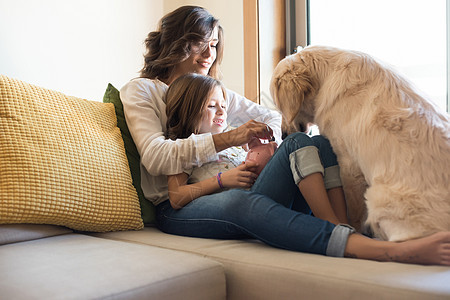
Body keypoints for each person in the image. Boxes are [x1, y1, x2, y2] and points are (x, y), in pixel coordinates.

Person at [120, 5, 450, 265]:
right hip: (178, 206)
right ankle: (381, 251)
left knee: (313, 142)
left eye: (214, 45)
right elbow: (156, 155)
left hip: (232, 182)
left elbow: (275, 118)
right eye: (200, 44)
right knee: (241, 203)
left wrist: (261, 148)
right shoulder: (142, 91)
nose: (209, 55)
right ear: (177, 42)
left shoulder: (215, 92)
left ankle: (342, 225)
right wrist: (230, 139)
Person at [165, 73, 348, 226]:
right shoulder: (185, 147)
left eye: (223, 106)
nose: (221, 112)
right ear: (187, 110)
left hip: (270, 195)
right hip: (250, 205)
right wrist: (221, 180)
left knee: (320, 143)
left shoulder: (233, 140)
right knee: (296, 141)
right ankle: (329, 224)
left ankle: (344, 223)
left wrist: (263, 152)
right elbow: (176, 197)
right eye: (212, 106)